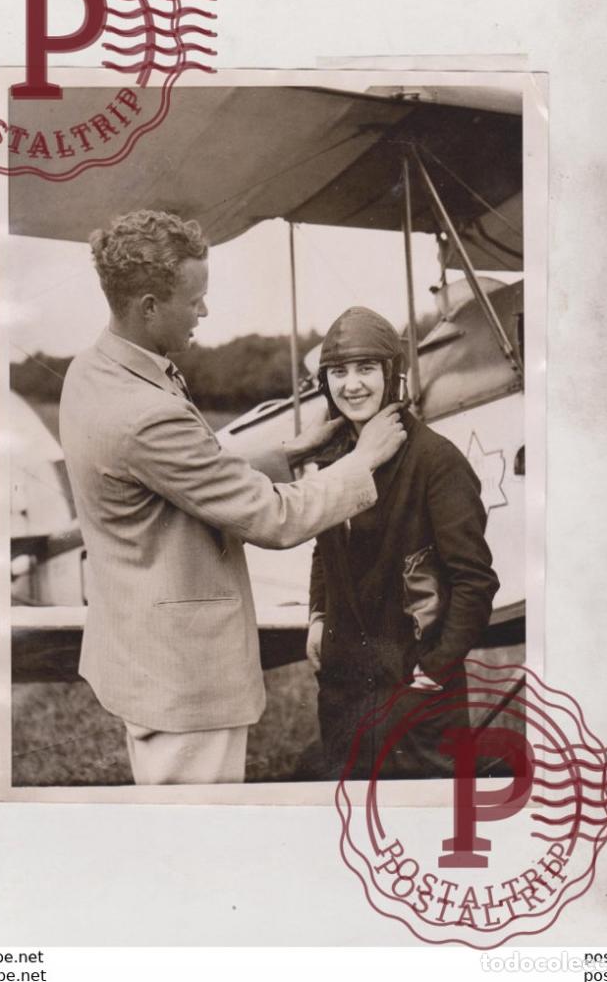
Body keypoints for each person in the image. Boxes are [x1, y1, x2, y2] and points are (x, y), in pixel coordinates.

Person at [59, 211, 406, 786]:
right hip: (183, 675)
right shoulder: (145, 413)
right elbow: (274, 518)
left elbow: (187, 476)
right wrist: (361, 459)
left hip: (141, 651)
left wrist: (293, 452)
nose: (204, 311)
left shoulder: (93, 371)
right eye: (195, 299)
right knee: (197, 843)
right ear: (148, 306)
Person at [305, 306, 499, 780]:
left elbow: (475, 581)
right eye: (338, 371)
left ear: (393, 374)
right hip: (346, 693)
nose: (351, 384)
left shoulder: (437, 461)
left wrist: (434, 669)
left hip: (420, 701)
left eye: (366, 368)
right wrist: (318, 614)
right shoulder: (333, 457)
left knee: (425, 830)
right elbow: (324, 549)